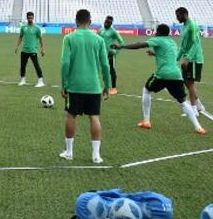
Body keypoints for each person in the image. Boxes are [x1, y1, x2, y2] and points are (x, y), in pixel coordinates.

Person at [113, 23, 206, 135]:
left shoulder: (158, 39)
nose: (155, 32)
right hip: (176, 75)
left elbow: (140, 44)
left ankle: (146, 121)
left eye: (156, 31)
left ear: (159, 32)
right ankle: (198, 127)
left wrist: (121, 47)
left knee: (146, 90)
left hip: (162, 74)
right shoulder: (172, 42)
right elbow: (168, 57)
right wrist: (155, 54)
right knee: (182, 101)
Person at [59, 9, 111, 164]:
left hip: (75, 86)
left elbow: (65, 63)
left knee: (71, 115)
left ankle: (69, 152)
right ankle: (96, 155)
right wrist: (107, 86)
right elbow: (105, 65)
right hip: (93, 86)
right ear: (90, 21)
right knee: (94, 117)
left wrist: (64, 84)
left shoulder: (69, 38)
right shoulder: (98, 39)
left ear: (76, 21)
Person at [175, 7, 205, 116]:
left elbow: (196, 44)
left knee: (190, 83)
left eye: (178, 15)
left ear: (185, 14)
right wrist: (176, 59)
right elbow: (183, 46)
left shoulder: (192, 26)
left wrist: (187, 59)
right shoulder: (183, 27)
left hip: (194, 58)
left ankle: (194, 110)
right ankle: (199, 105)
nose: (177, 18)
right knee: (187, 82)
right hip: (187, 58)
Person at [15, 11, 45, 87]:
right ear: (27, 18)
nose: (30, 19)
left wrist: (42, 49)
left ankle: (40, 81)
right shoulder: (23, 27)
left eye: (31, 17)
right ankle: (22, 80)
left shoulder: (37, 28)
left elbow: (41, 39)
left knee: (36, 65)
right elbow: (20, 37)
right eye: (29, 18)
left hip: (33, 50)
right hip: (24, 50)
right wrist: (17, 47)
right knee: (22, 66)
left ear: (33, 18)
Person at [98, 15, 123, 96]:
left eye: (108, 23)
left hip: (109, 55)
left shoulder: (113, 31)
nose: (106, 23)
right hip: (100, 54)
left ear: (111, 23)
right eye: (105, 21)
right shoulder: (101, 30)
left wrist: (115, 52)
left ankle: (114, 88)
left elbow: (121, 42)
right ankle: (106, 87)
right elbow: (96, 39)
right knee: (103, 70)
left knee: (111, 70)